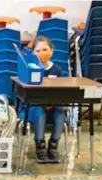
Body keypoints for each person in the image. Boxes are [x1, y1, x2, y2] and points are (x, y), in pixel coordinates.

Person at [30, 36, 65, 164]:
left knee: (60, 111)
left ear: (51, 51)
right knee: (39, 111)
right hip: (35, 106)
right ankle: (40, 146)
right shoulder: (30, 68)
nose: (41, 53)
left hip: (53, 105)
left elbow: (61, 91)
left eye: (45, 49)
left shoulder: (57, 70)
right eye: (38, 51)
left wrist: (52, 103)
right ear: (33, 52)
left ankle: (53, 145)